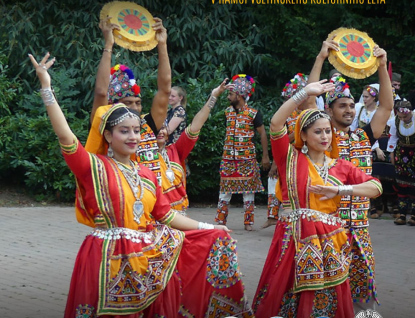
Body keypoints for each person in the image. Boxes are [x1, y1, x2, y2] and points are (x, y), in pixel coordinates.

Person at [29, 53, 254, 318]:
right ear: (108, 136)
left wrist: (209, 227)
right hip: (104, 258)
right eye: (124, 131)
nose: (133, 136)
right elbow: (65, 135)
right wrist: (46, 88)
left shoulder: (146, 174)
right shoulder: (93, 167)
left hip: (146, 258)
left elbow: (166, 215)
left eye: (136, 130)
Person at [252, 80, 383, 317]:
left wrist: (342, 191)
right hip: (294, 239)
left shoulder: (340, 166)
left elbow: (375, 187)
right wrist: (305, 93)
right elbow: (275, 123)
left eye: (328, 131)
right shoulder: (290, 159)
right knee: (288, 296)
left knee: (328, 300)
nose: (325, 136)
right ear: (303, 134)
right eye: (318, 131)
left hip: (331, 242)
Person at [308, 37, 394, 311]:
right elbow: (310, 100)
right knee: (328, 280)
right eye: (341, 106)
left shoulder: (363, 135)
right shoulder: (322, 135)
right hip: (329, 222)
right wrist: (321, 58)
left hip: (360, 224)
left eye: (350, 105)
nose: (348, 110)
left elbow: (386, 107)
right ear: (329, 110)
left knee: (362, 277)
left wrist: (382, 66)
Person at [91, 16, 171, 185]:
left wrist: (162, 44)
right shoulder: (106, 124)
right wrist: (108, 45)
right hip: (120, 201)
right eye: (127, 103)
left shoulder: (148, 124)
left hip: (154, 205)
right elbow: (100, 92)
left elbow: (165, 90)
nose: (135, 107)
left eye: (138, 102)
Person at [153, 79, 229, 215]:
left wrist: (214, 96)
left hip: (175, 217)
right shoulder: (140, 152)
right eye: (156, 128)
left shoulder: (175, 150)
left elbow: (196, 125)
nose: (161, 131)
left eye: (163, 128)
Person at [215, 74, 271, 231]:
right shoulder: (228, 112)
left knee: (248, 191)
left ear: (239, 95)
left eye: (231, 94)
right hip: (227, 158)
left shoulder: (253, 113)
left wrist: (265, 156)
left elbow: (262, 134)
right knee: (224, 191)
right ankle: (220, 221)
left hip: (247, 158)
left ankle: (248, 223)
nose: (228, 97)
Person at [263, 73, 309, 228]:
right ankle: (273, 217)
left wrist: (276, 162)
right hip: (286, 154)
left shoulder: (303, 114)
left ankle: (287, 221)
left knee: (289, 187)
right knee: (276, 184)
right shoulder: (289, 115)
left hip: (296, 156)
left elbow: (288, 138)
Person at [387, 100, 415, 226]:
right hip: (402, 153)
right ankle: (402, 213)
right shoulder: (395, 121)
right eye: (401, 116)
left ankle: (414, 215)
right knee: (402, 184)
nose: (403, 119)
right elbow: (393, 138)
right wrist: (392, 154)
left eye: (406, 117)